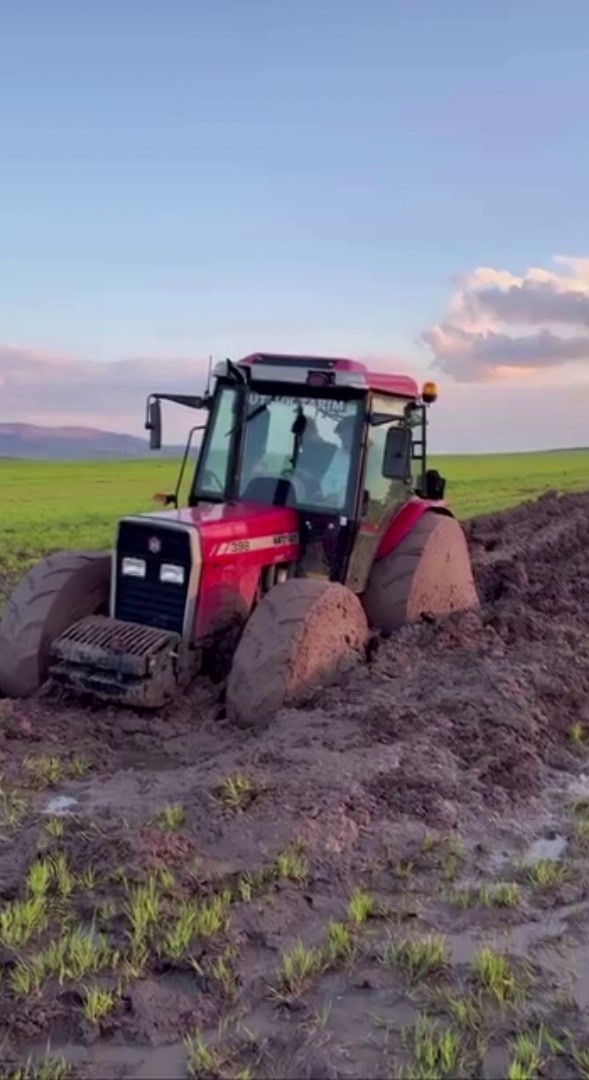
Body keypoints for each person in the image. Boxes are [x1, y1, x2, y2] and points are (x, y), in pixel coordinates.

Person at [320, 414, 356, 506]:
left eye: (346, 433)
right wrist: (330, 494)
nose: (342, 438)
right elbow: (327, 479)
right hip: (334, 506)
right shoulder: (340, 453)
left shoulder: (370, 455)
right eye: (341, 435)